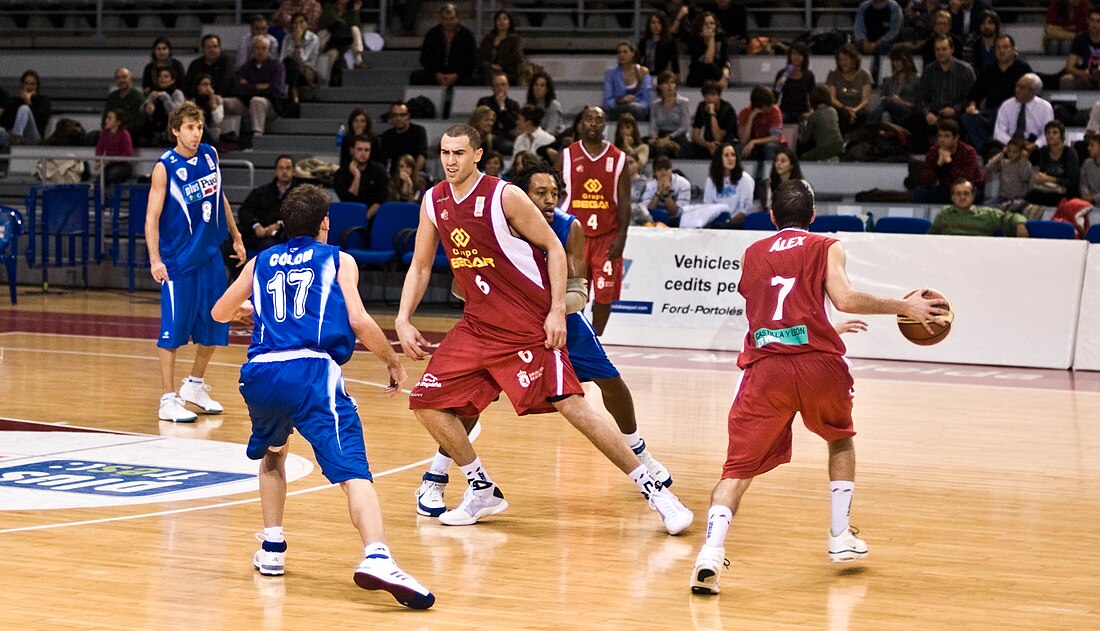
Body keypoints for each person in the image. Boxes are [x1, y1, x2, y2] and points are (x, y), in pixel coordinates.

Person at [394, 124, 692, 533]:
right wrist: (402, 318)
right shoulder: (434, 200)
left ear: (477, 155)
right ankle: (480, 488)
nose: (449, 160)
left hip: (525, 325)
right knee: (427, 402)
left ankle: (657, 491)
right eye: (445, 152)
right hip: (478, 325)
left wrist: (555, 311)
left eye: (459, 153)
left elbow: (553, 247)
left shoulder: (505, 195)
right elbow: (422, 265)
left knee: (573, 405)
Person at [689, 178, 950, 595]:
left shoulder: (751, 253)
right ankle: (839, 536)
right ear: (813, 216)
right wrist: (905, 306)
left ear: (772, 217)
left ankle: (709, 553)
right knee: (840, 439)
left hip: (765, 369)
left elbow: (771, 312)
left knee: (737, 470)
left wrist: (819, 324)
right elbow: (844, 298)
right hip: (818, 367)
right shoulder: (826, 244)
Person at [209, 184, 435, 610]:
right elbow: (358, 320)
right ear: (325, 224)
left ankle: (272, 549)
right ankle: (378, 555)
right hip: (311, 372)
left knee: (274, 453)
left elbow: (220, 312)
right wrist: (391, 359)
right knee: (355, 470)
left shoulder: (260, 261)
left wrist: (252, 310)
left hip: (259, 374)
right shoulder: (339, 259)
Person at [145, 102, 246, 423]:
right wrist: (155, 259)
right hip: (177, 260)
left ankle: (195, 385)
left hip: (210, 256)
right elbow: (151, 218)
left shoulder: (210, 155)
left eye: (199, 127)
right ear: (175, 130)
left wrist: (236, 235)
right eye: (189, 127)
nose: (195, 133)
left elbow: (220, 197)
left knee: (217, 321)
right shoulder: (165, 167)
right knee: (173, 332)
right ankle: (166, 398)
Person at [560, 107, 631, 336]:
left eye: (598, 120)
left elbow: (625, 202)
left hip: (606, 236)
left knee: (603, 294)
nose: (593, 123)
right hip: (574, 236)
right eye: (589, 119)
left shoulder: (618, 158)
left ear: (605, 126)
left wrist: (622, 237)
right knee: (572, 293)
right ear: (581, 123)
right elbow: (553, 193)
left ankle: (595, 340)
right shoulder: (567, 155)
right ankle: (573, 340)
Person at [961, 34, 1033, 154]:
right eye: (998, 48)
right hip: (992, 113)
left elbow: (1032, 92)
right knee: (968, 119)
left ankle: (1003, 147)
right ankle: (988, 149)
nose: (1001, 51)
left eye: (1005, 47)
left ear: (1013, 49)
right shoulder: (989, 70)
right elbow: (975, 92)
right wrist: (972, 105)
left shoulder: (1023, 68)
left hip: (1015, 114)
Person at [914, 35, 975, 151]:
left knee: (962, 121)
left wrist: (955, 109)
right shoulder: (929, 70)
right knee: (916, 121)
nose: (940, 52)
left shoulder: (965, 70)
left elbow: (971, 97)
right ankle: (924, 157)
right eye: (937, 49)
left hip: (956, 115)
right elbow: (921, 98)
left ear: (952, 50)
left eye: (944, 49)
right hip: (933, 113)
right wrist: (927, 113)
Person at [236, 154, 299, 254]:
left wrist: (279, 225)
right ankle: (236, 269)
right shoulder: (262, 191)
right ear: (275, 171)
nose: (284, 172)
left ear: (294, 171)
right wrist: (256, 225)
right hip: (257, 232)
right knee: (231, 241)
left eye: (288, 168)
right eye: (281, 168)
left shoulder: (300, 193)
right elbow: (244, 211)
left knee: (269, 246)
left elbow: (300, 216)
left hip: (281, 235)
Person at [225, 36, 286, 137]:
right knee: (225, 102)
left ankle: (257, 135)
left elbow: (276, 89)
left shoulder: (277, 66)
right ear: (253, 50)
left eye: (263, 48)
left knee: (257, 101)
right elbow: (237, 89)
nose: (260, 51)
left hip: (270, 105)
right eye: (257, 48)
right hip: (246, 103)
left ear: (268, 50)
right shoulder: (246, 66)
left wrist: (249, 86)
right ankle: (224, 135)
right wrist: (260, 86)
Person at [915, 118, 984, 203]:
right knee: (920, 191)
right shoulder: (933, 151)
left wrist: (949, 163)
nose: (942, 140)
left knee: (969, 193)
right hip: (946, 189)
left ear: (956, 138)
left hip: (969, 189)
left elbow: (966, 180)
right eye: (940, 136)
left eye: (947, 136)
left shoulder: (968, 152)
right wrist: (938, 165)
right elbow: (924, 181)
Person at [929, 178, 1030, 236]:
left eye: (966, 193)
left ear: (973, 196)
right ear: (953, 197)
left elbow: (1012, 217)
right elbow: (929, 239)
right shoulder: (944, 214)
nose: (962, 197)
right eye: (958, 194)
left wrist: (1019, 224)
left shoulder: (989, 214)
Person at [409, 3, 478, 87]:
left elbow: (471, 61)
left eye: (452, 18)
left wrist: (456, 75)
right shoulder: (432, 34)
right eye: (446, 19)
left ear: (457, 19)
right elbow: (425, 58)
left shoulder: (467, 35)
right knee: (416, 76)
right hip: (436, 74)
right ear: (441, 19)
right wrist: (437, 74)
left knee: (473, 79)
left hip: (459, 74)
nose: (449, 22)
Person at [693, 143, 753, 229]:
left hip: (737, 226)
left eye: (733, 155)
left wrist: (728, 223)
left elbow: (746, 209)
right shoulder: (711, 180)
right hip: (716, 224)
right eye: (726, 155)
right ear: (719, 159)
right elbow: (708, 205)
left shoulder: (744, 179)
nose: (731, 158)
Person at [990, 74, 1054, 154]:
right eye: (1017, 86)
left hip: (1033, 145)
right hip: (1010, 143)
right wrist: (1013, 144)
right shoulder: (1006, 105)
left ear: (1032, 91)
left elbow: (1047, 133)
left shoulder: (1045, 107)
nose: (1017, 90)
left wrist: (1036, 145)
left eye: (1021, 88)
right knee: (992, 149)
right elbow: (998, 132)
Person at [1026, 120, 1080, 207]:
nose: (1050, 135)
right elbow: (1043, 174)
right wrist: (1040, 178)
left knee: (1050, 198)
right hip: (1049, 188)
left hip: (1066, 191)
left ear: (1061, 136)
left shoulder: (1070, 152)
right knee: (1031, 195)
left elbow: (1073, 182)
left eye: (1055, 133)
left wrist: (1050, 179)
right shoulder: (1044, 151)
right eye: (1048, 133)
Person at [866, 44, 919, 133]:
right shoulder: (889, 81)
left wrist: (902, 102)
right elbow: (881, 101)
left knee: (886, 101)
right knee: (883, 104)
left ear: (907, 61)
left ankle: (868, 126)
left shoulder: (916, 80)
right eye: (893, 60)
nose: (895, 63)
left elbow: (919, 106)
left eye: (898, 60)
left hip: (909, 115)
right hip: (892, 114)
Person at [334, 134, 388, 220]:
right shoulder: (341, 173)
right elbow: (348, 201)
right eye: (359, 149)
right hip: (348, 215)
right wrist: (357, 176)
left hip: (374, 217)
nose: (363, 153)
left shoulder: (379, 170)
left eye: (367, 150)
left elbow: (380, 200)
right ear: (352, 150)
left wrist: (364, 218)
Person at [825, 44, 873, 138]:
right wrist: (846, 108)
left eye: (846, 59)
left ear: (854, 60)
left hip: (858, 109)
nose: (842, 62)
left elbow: (865, 100)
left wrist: (854, 110)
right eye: (840, 60)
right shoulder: (833, 74)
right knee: (838, 114)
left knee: (865, 115)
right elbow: (832, 98)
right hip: (840, 108)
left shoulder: (864, 75)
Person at [683, 80, 736, 160]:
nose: (709, 98)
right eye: (706, 95)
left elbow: (718, 137)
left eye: (713, 94)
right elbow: (695, 135)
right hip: (708, 143)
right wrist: (708, 144)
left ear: (719, 95)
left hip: (726, 143)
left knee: (720, 150)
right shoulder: (701, 106)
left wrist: (712, 114)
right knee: (688, 148)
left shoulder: (728, 110)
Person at [738, 85, 786, 174]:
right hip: (754, 145)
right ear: (758, 106)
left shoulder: (775, 111)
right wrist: (751, 118)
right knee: (740, 149)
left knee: (768, 147)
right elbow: (744, 139)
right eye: (767, 105)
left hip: (773, 145)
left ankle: (769, 178)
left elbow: (775, 137)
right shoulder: (745, 113)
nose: (771, 107)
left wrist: (754, 142)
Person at [855, 0, 903, 82]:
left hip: (887, 41)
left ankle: (874, 79)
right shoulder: (864, 6)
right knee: (851, 49)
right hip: (867, 40)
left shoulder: (893, 7)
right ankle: (855, 79)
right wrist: (864, 40)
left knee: (880, 48)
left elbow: (894, 30)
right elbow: (859, 27)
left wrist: (878, 42)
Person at [604, 41, 653, 122]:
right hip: (618, 109)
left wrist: (634, 100)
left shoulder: (643, 71)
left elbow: (646, 101)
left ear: (633, 53)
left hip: (638, 109)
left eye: (625, 52)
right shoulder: (610, 73)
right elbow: (607, 101)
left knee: (636, 109)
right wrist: (620, 101)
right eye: (619, 52)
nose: (621, 55)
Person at [648, 70, 691, 159]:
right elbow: (653, 126)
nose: (670, 86)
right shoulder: (655, 105)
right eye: (666, 83)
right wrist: (655, 138)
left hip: (678, 136)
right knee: (653, 147)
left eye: (672, 83)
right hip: (661, 135)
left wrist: (669, 138)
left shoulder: (684, 102)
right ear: (660, 86)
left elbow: (685, 126)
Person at [281, 11, 322, 104]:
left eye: (301, 22)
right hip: (290, 70)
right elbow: (282, 58)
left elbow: (303, 60)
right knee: (289, 62)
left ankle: (293, 91)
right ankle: (293, 92)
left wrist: (298, 42)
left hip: (306, 73)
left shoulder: (313, 39)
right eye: (295, 23)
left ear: (307, 24)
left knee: (292, 64)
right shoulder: (287, 38)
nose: (298, 25)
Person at [0, 70, 50, 145]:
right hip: (12, 135)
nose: (29, 87)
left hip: (32, 137)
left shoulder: (43, 100)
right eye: (26, 83)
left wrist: (28, 102)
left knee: (24, 109)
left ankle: (16, 137)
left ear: (37, 86)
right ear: (22, 85)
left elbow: (40, 118)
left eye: (32, 84)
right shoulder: (16, 102)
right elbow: (7, 124)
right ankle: (15, 139)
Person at [476, 9, 525, 86]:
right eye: (499, 19)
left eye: (505, 19)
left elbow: (517, 56)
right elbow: (480, 56)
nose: (501, 21)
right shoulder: (487, 39)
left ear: (510, 22)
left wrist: (501, 66)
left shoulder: (515, 39)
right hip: (488, 69)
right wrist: (491, 66)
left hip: (507, 71)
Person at [476, 72, 521, 155]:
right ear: (492, 88)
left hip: (506, 138)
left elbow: (513, 127)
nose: (501, 88)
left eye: (503, 85)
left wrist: (502, 107)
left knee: (510, 147)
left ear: (508, 87)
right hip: (486, 136)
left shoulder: (514, 105)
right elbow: (480, 122)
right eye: (497, 85)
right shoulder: (484, 102)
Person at [378, 102, 428, 175]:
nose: (398, 118)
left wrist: (413, 175)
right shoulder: (387, 135)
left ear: (408, 116)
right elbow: (383, 160)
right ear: (391, 117)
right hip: (395, 176)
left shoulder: (418, 131)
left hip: (416, 174)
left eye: (402, 115)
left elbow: (422, 156)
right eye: (395, 115)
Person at [642, 155, 691, 226]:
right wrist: (658, 192)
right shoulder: (649, 185)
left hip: (678, 222)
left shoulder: (683, 184)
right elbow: (647, 212)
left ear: (671, 170)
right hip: (655, 220)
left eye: (666, 169)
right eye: (659, 170)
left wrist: (666, 193)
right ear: (655, 172)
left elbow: (679, 213)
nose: (663, 173)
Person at [983, 136, 1033, 205]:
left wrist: (1024, 160)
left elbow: (1025, 177)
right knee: (986, 205)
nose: (1011, 154)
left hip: (1019, 198)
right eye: (1009, 151)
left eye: (1015, 152)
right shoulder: (1004, 162)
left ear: (1021, 152)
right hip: (1003, 197)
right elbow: (989, 166)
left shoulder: (1026, 164)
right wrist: (1002, 153)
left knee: (1016, 205)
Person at [685, 11, 731, 88]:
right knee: (710, 65)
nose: (709, 26)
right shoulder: (694, 39)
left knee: (719, 70)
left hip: (716, 75)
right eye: (706, 24)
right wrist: (711, 38)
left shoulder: (721, 38)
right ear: (700, 26)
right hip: (698, 76)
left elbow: (726, 61)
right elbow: (708, 60)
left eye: (712, 23)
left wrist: (725, 77)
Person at [799, 86, 845, 162]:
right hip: (839, 145)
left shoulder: (814, 116)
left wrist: (802, 125)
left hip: (826, 149)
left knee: (804, 157)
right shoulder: (833, 111)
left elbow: (804, 140)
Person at [141, 67, 185, 147]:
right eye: (160, 76)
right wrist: (148, 105)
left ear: (173, 80)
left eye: (166, 76)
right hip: (155, 125)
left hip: (170, 126)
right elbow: (141, 110)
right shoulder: (154, 93)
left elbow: (177, 113)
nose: (162, 78)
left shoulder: (177, 93)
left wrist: (166, 98)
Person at [774, 41, 815, 125]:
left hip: (802, 112)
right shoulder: (782, 73)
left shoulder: (809, 75)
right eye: (794, 54)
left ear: (804, 57)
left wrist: (811, 112)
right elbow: (774, 97)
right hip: (785, 111)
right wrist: (778, 86)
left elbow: (813, 96)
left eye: (800, 55)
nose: (796, 57)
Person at [1060, 8, 1100, 90]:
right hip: (1086, 77)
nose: (1095, 24)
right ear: (1088, 21)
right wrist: (1082, 73)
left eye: (1098, 21)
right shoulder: (1081, 38)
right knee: (1066, 80)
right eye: (1092, 20)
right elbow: (1069, 67)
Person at [102, 68, 146, 142]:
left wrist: (119, 130)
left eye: (124, 77)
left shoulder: (138, 98)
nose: (121, 80)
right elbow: (104, 120)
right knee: (92, 137)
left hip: (130, 134)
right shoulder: (112, 97)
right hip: (111, 131)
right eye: (118, 78)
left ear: (130, 79)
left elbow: (140, 122)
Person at [184, 34, 232, 99]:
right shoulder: (195, 64)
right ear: (203, 49)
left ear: (219, 48)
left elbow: (226, 86)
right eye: (209, 47)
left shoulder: (227, 63)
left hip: (220, 98)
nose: (212, 50)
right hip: (197, 97)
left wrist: (209, 92)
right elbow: (188, 86)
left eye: (215, 47)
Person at [94, 109, 134, 185]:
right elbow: (99, 149)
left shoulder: (124, 134)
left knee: (111, 175)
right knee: (98, 181)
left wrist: (109, 161)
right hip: (109, 165)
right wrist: (98, 160)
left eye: (110, 118)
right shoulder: (104, 133)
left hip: (123, 165)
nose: (106, 121)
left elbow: (127, 154)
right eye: (107, 118)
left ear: (118, 122)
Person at [636, 11, 680, 77]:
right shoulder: (644, 41)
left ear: (663, 25)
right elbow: (637, 60)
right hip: (646, 76)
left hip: (662, 77)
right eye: (653, 22)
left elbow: (675, 63)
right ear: (649, 24)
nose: (656, 26)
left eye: (659, 23)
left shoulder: (669, 42)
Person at [763, 147, 804, 211]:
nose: (778, 163)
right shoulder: (770, 184)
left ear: (792, 165)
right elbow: (769, 207)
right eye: (776, 160)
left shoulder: (801, 186)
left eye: (783, 161)